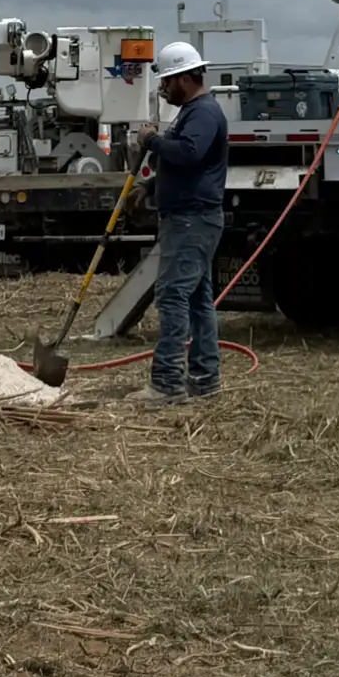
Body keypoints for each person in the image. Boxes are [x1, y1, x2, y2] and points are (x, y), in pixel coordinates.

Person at [134, 38, 229, 407]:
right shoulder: (193, 114)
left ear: (185, 79)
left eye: (167, 81)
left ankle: (167, 383)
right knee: (197, 301)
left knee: (173, 296)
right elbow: (188, 164)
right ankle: (205, 379)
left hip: (192, 219)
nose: (164, 88)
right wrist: (152, 185)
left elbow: (190, 154)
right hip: (190, 216)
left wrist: (152, 140)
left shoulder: (203, 114)